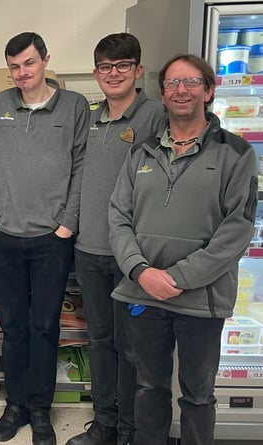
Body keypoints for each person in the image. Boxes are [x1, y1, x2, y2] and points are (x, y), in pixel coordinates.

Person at [108, 54, 258, 445]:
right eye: (173, 83)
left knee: (197, 395)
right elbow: (118, 218)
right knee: (148, 388)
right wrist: (141, 272)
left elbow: (237, 230)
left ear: (209, 90)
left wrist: (176, 278)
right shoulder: (140, 153)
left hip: (201, 300)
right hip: (143, 294)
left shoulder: (237, 154)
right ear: (162, 94)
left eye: (191, 82)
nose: (181, 90)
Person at [0, 32, 90, 445]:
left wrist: (67, 223)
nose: (21, 73)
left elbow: (82, 167)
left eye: (28, 63)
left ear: (45, 60)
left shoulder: (75, 106)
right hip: (2, 235)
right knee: (13, 327)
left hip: (52, 238)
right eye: (13, 66)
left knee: (44, 326)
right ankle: (15, 405)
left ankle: (40, 410)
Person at [67, 33, 166, 445]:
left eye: (123, 65)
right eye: (105, 67)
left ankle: (129, 429)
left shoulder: (155, 117)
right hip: (89, 250)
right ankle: (104, 423)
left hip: (134, 259)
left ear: (138, 70)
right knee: (100, 342)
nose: (114, 74)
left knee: (133, 350)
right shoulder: (89, 118)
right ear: (96, 73)